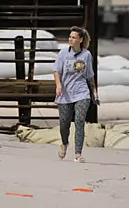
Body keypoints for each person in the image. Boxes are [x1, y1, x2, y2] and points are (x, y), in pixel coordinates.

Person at [53, 26, 98, 163]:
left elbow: (89, 76)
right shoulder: (63, 54)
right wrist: (58, 85)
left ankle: (78, 153)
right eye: (70, 37)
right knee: (64, 123)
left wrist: (94, 92)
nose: (70, 40)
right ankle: (64, 143)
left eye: (73, 37)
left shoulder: (86, 55)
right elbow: (56, 71)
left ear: (80, 40)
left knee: (79, 121)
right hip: (65, 93)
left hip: (82, 93)